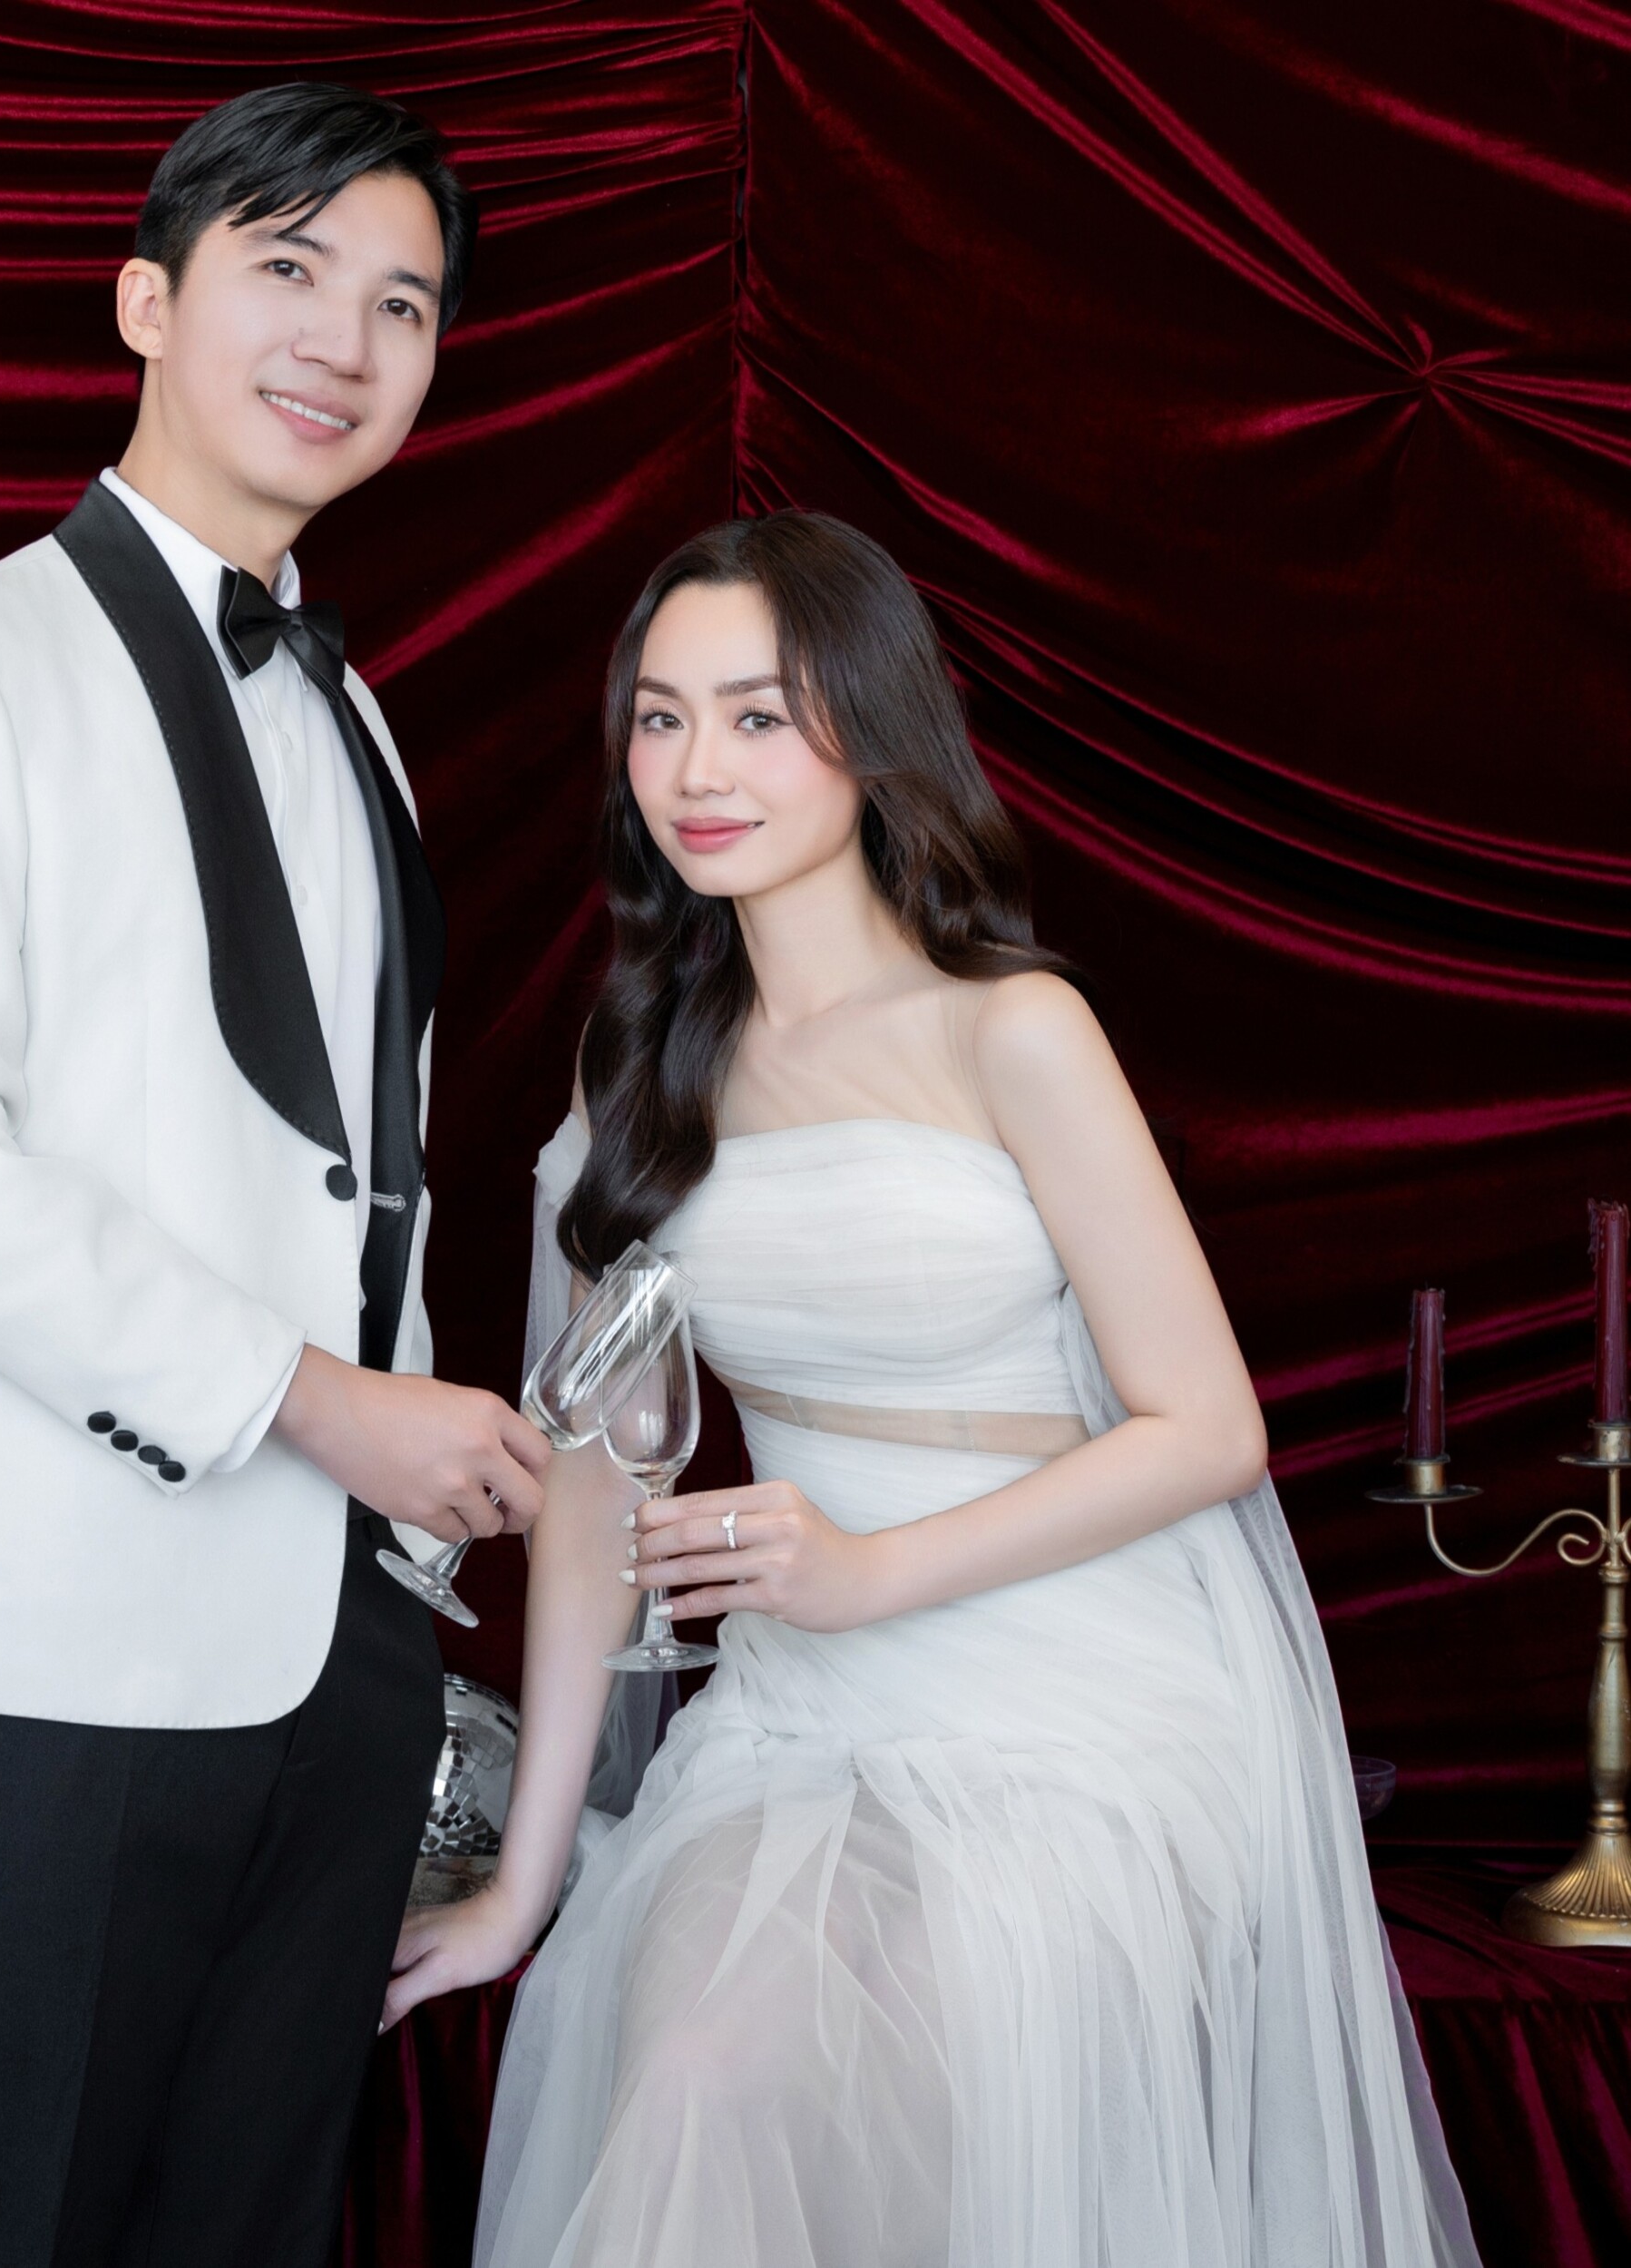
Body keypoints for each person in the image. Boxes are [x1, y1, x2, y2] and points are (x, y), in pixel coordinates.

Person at [386, 512, 1480, 2267]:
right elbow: (594, 1484)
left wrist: (871, 1572)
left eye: (758, 715)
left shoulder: (1010, 1029)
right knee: (697, 2079)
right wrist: (525, 1876)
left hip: (1086, 1695)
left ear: (870, 727)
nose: (696, 770)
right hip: (797, 1709)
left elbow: (1210, 1428)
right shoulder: (640, 1062)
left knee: (928, 2119)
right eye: (660, 717)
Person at [0, 83, 551, 2268]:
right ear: (143, 303)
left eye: (402, 305)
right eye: (289, 270)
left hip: (338, 1661)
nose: (345, 341)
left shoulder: (358, 723)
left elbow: (350, 1181)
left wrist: (406, 1518)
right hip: (39, 1651)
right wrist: (321, 1404)